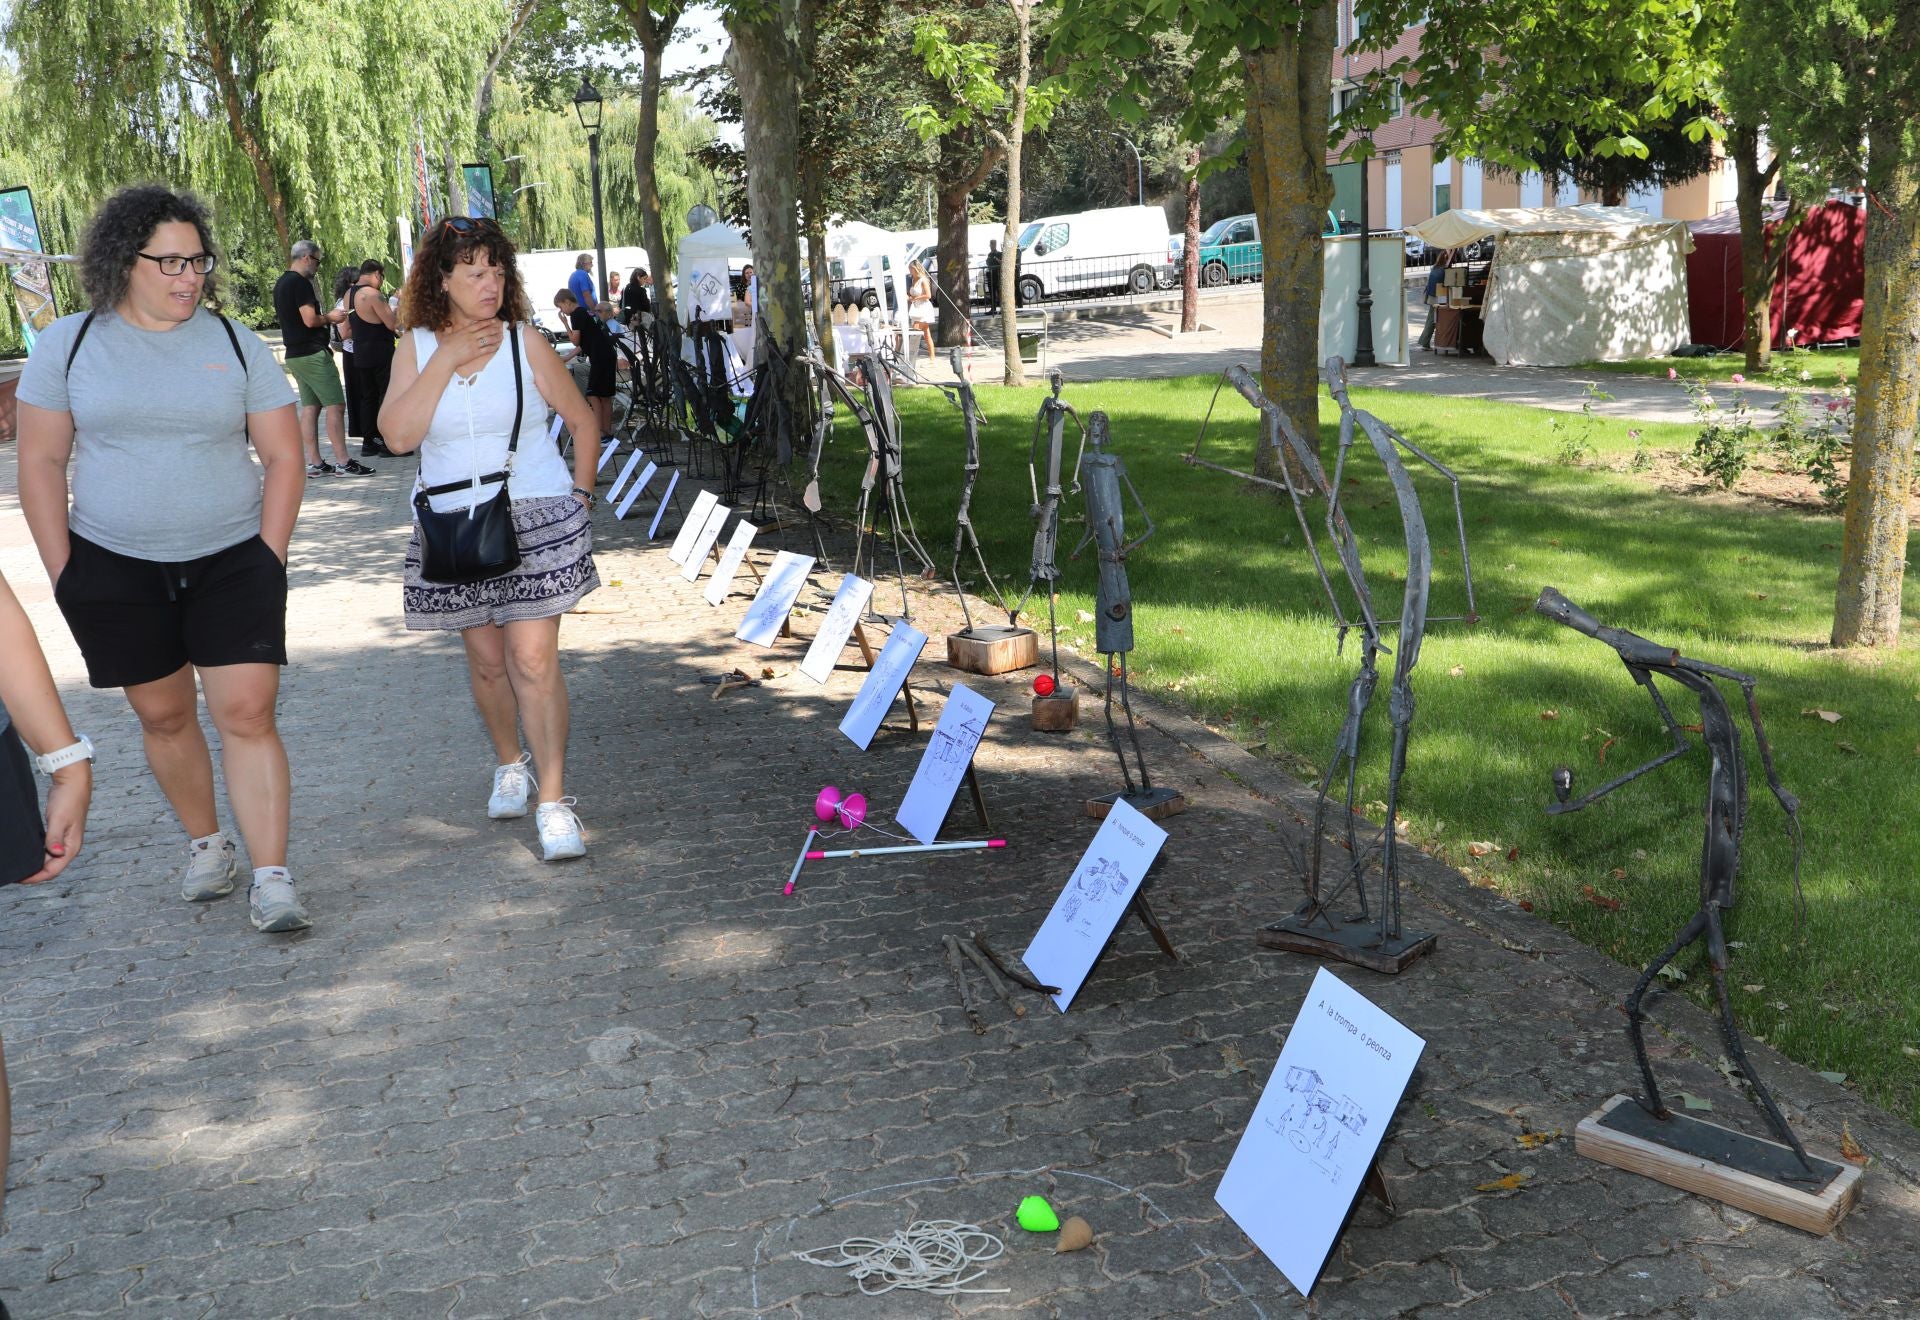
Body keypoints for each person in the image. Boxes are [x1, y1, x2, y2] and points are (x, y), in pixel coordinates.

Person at [14, 183, 314, 933]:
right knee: (165, 714)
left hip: (232, 560)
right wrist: (65, 572)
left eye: (198, 262)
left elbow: (283, 456)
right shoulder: (69, 343)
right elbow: (42, 465)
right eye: (171, 263)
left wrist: (268, 556)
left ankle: (273, 877)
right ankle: (208, 845)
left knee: (247, 711)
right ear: (125, 261)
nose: (190, 278)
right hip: (114, 565)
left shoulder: (234, 341)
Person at [380, 217, 603, 861]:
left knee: (532, 660)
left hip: (534, 511)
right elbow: (397, 437)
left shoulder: (525, 342)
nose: (489, 284)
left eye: (498, 271)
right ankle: (511, 761)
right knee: (486, 661)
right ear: (441, 279)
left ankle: (554, 801)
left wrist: (580, 503)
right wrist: (447, 358)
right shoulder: (416, 349)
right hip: (454, 523)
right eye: (474, 272)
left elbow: (582, 423)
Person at [276, 240, 373, 477]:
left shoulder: (282, 282)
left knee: (311, 406)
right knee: (336, 405)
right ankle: (343, 462)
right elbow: (310, 319)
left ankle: (316, 463)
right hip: (312, 353)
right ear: (307, 257)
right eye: (318, 261)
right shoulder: (300, 283)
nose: (318, 267)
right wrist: (329, 317)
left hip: (295, 354)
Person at [348, 260, 399, 458]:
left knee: (368, 397)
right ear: (377, 274)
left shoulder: (349, 294)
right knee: (387, 395)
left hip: (360, 352)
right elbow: (391, 323)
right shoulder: (372, 294)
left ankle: (369, 442)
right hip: (380, 351)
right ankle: (389, 443)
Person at [554, 287, 618, 443]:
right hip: (606, 354)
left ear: (567, 302)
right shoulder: (586, 312)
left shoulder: (576, 315)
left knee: (593, 394)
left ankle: (599, 432)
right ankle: (606, 432)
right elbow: (584, 343)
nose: (561, 311)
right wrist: (567, 358)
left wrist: (565, 323)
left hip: (600, 357)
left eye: (560, 306)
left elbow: (575, 340)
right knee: (605, 396)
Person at [1418, 248, 1451, 352]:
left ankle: (1424, 341)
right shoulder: (1444, 270)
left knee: (1431, 319)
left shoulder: (1435, 267)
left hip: (1431, 296)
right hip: (1438, 297)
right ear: (1446, 258)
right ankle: (1425, 342)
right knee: (1433, 320)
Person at [907, 259, 936, 364]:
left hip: (923, 308)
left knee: (915, 332)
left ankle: (911, 358)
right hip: (916, 308)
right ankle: (932, 357)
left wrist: (914, 298)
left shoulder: (923, 280)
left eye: (911, 269)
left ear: (915, 269)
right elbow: (914, 294)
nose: (909, 271)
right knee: (926, 334)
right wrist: (910, 297)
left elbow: (928, 295)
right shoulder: (913, 279)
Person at [984, 240, 1002, 311]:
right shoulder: (989, 254)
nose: (991, 246)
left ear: (995, 245)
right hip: (990, 275)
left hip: (997, 275)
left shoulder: (999, 253)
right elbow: (988, 263)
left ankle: (1002, 309)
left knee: (999, 293)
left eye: (993, 245)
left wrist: (995, 258)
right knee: (992, 293)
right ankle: (993, 309)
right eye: (990, 245)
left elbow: (1001, 262)